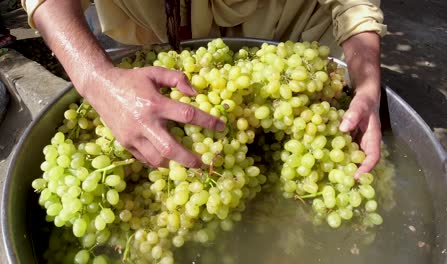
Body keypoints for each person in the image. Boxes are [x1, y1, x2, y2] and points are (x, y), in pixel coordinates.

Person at [22, 0, 386, 178]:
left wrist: (367, 82)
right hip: (164, 48)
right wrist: (98, 80)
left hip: (289, 59)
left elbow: (354, 4)